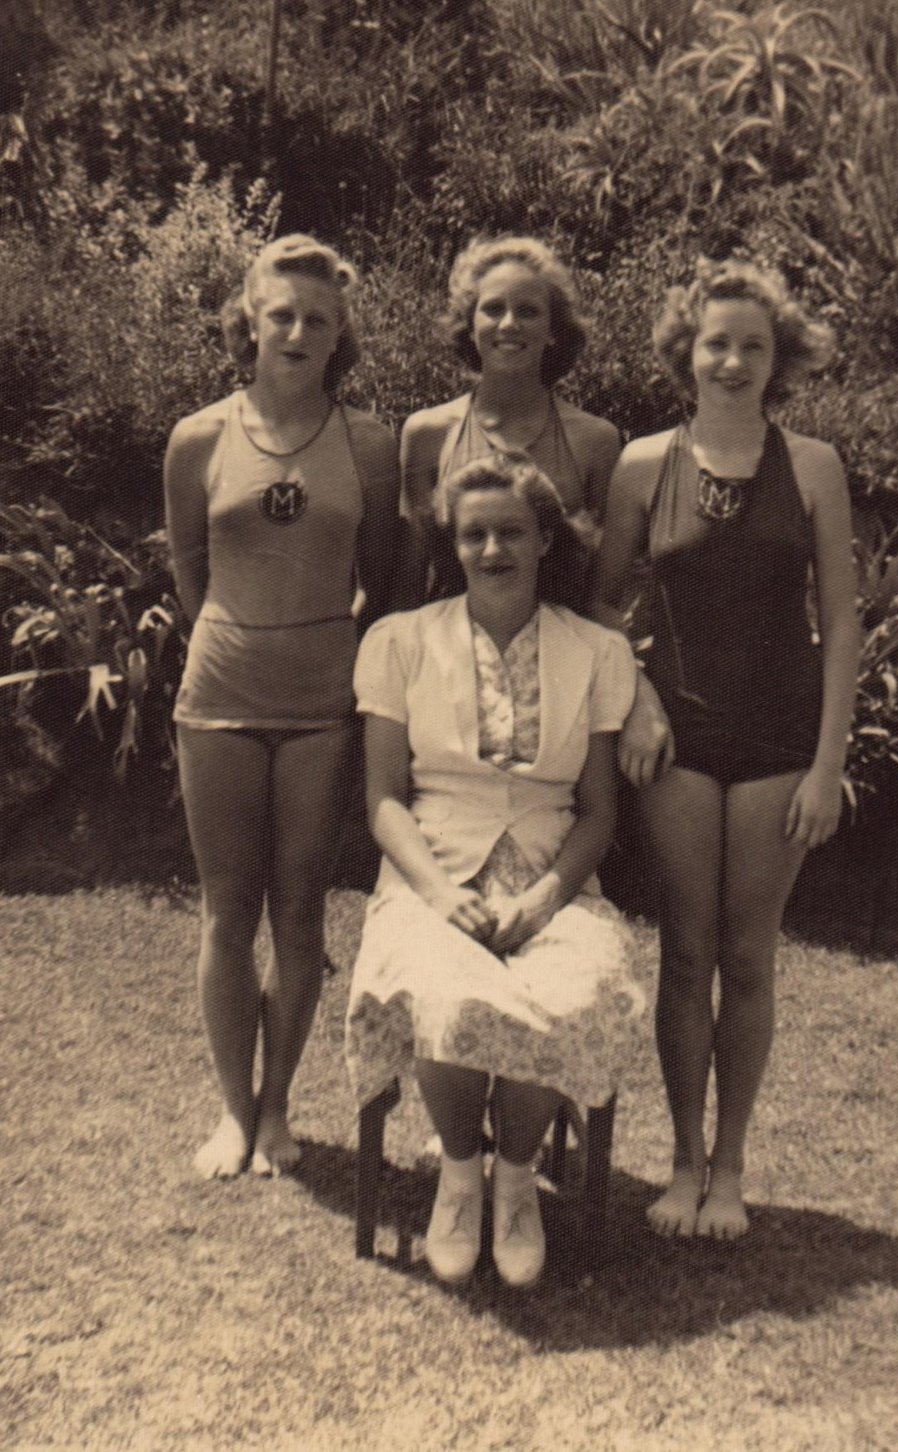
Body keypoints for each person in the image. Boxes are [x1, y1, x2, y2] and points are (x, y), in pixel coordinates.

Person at [594, 258, 859, 1240]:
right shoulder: (639, 464)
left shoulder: (815, 467)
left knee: (748, 957)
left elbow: (841, 619)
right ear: (685, 352)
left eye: (753, 344)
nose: (733, 360)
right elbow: (595, 606)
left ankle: (733, 1166)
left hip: (782, 744)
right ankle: (680, 1163)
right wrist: (631, 703)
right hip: (679, 741)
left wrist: (829, 764)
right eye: (717, 342)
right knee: (685, 949)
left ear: (776, 356)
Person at [345, 454, 645, 1288]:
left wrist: (548, 900)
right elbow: (382, 800)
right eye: (473, 533)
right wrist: (441, 896)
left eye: (511, 531)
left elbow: (599, 812)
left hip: (553, 879)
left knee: (572, 991)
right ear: (454, 542)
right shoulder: (400, 641)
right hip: (430, 874)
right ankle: (459, 1173)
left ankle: (516, 1182)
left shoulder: (594, 652)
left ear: (546, 538)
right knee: (448, 989)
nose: (492, 549)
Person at [165, 234, 399, 1180]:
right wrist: (244, 636)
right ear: (248, 324)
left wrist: (315, 650)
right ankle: (231, 1113)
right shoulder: (196, 438)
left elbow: (381, 581)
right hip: (218, 695)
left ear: (340, 335)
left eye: (318, 319)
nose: (298, 331)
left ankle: (276, 1111)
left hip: (320, 705)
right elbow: (188, 572)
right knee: (229, 910)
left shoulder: (371, 443)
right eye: (281, 315)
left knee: (300, 911)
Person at [399, 235, 621, 603]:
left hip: (560, 645)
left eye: (528, 311)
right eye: (493, 309)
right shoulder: (428, 435)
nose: (509, 324)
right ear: (469, 326)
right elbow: (410, 577)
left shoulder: (595, 441)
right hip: (452, 648)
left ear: (553, 330)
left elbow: (603, 584)